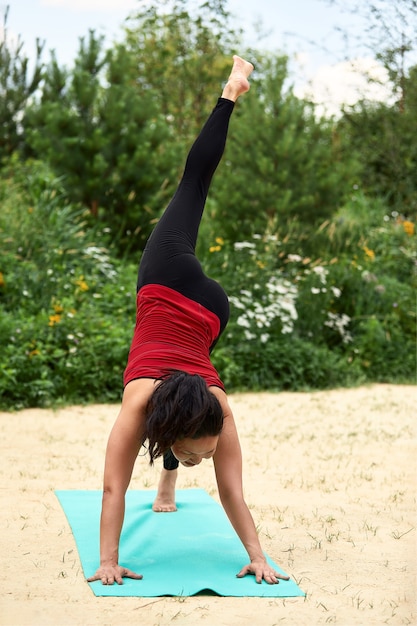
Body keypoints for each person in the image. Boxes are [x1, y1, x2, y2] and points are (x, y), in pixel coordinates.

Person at [87, 56, 290, 587]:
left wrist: (259, 555)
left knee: (194, 185)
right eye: (198, 458)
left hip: (194, 300)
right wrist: (107, 562)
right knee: (192, 183)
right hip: (189, 296)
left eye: (199, 457)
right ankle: (230, 92)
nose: (207, 460)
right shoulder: (202, 403)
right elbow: (113, 489)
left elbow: (228, 491)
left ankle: (232, 92)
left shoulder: (209, 410)